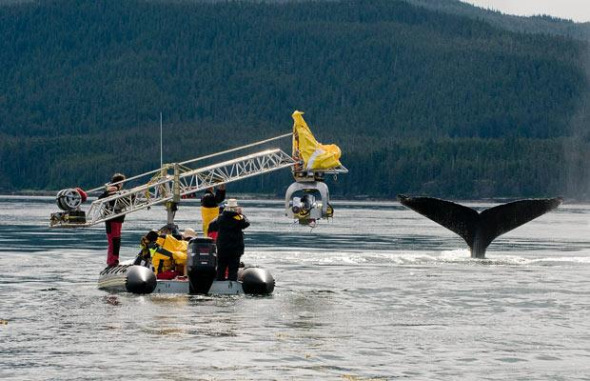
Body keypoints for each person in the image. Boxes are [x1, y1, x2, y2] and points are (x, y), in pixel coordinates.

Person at [216, 198, 249, 281]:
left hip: (222, 248)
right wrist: (242, 214)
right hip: (235, 249)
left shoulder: (221, 217)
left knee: (221, 268)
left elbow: (217, 222)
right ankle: (231, 285)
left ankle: (219, 283)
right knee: (233, 269)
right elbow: (246, 223)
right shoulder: (238, 218)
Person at [99, 173, 126, 267]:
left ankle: (114, 259)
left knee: (115, 241)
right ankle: (112, 261)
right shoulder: (113, 189)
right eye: (122, 182)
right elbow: (101, 198)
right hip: (113, 220)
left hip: (117, 220)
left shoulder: (114, 190)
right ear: (120, 182)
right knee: (114, 241)